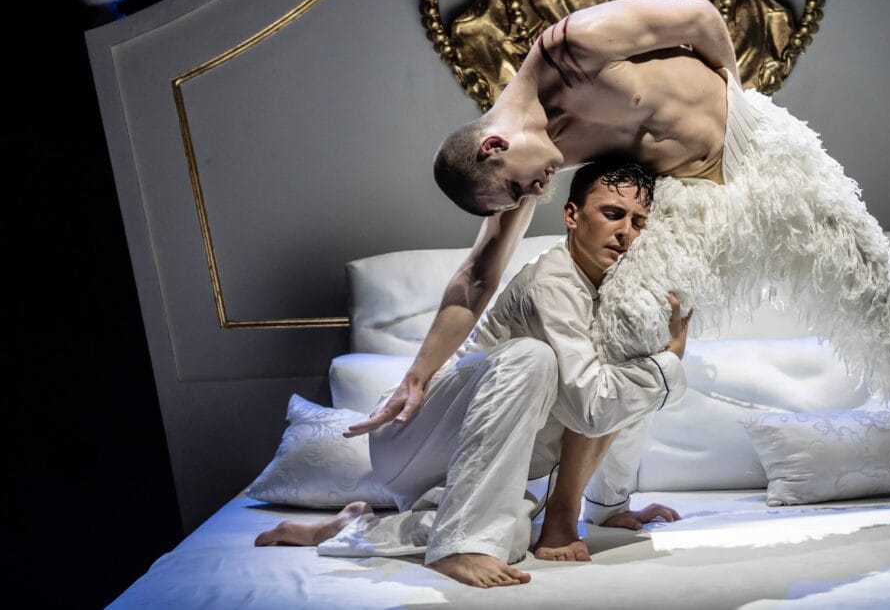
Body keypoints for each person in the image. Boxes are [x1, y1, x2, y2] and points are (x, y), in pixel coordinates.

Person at [414, 0, 890, 522]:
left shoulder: (574, 45)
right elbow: (477, 276)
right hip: (688, 196)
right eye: (522, 196)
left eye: (521, 185)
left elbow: (705, 17)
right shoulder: (525, 163)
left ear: (496, 145)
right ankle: (578, 514)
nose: (534, 195)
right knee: (623, 326)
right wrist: (416, 377)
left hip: (765, 151)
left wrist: (737, 103)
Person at [254, 161, 690, 588]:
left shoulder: (620, 296)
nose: (626, 232)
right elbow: (592, 409)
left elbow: (617, 398)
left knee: (511, 537)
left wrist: (608, 507)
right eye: (613, 214)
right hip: (412, 439)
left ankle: (350, 527)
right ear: (571, 215)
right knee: (534, 357)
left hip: (472, 464)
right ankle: (457, 545)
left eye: (639, 223)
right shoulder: (551, 282)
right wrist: (670, 360)